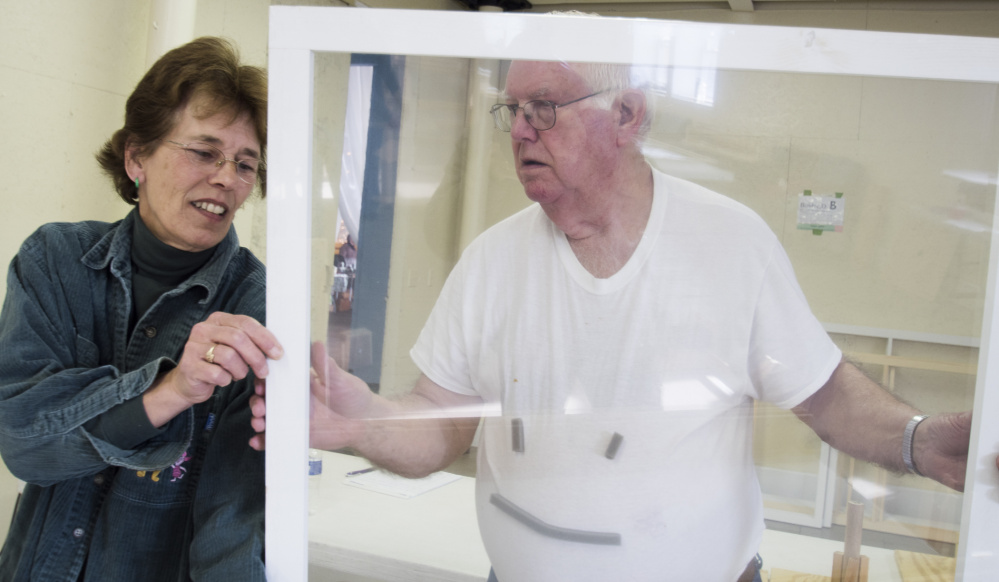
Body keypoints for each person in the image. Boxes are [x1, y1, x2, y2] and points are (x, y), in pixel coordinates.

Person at [250, 59, 982, 581]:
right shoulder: (491, 261)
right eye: (513, 111)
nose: (521, 131)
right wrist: (361, 423)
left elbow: (822, 395)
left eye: (545, 106)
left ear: (627, 115)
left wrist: (920, 443)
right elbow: (442, 422)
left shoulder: (729, 242)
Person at [0, 37, 282, 581]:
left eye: (245, 164)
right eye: (204, 152)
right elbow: (24, 444)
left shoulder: (255, 308)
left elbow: (233, 519)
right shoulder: (55, 262)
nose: (227, 178)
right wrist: (173, 390)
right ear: (136, 157)